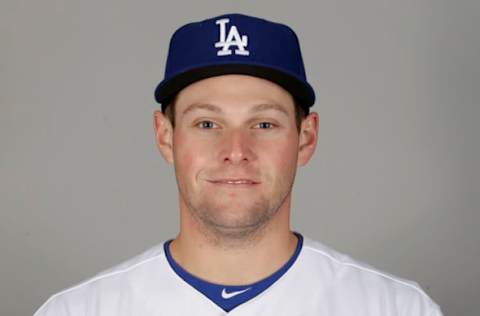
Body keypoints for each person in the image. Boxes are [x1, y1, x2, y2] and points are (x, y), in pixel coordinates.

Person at [34, 13, 443, 315]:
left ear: (306, 138)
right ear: (166, 136)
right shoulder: (78, 311)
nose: (236, 149)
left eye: (264, 123)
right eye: (207, 123)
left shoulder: (397, 309)